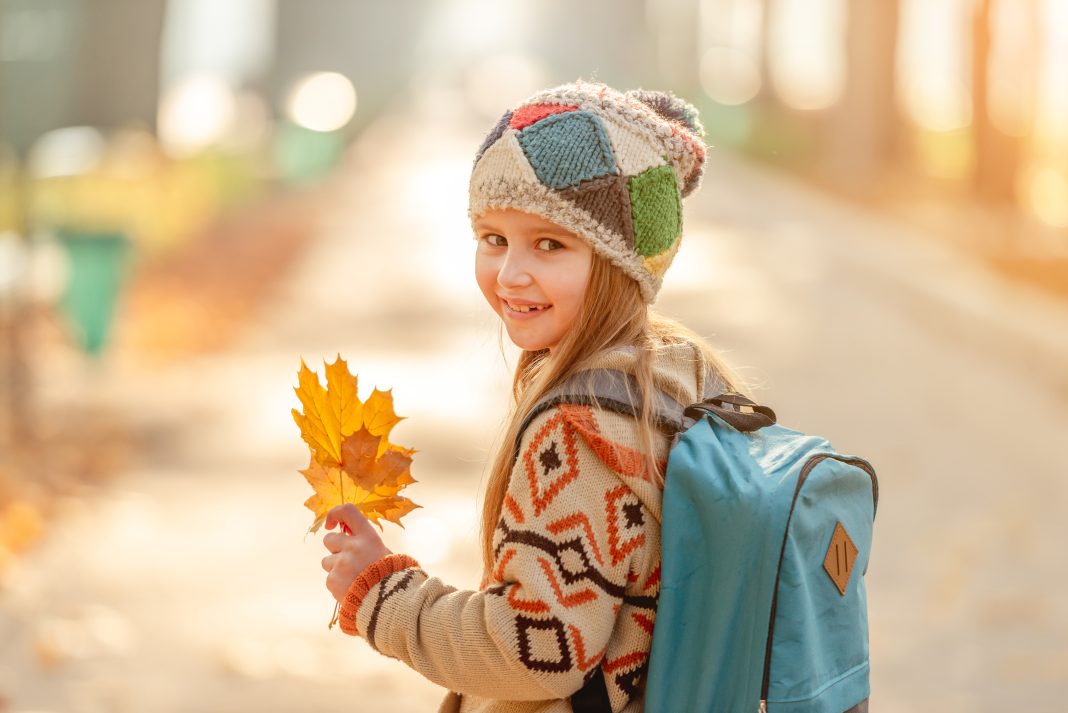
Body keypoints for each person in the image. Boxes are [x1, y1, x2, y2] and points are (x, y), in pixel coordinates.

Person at [319, 79, 748, 712]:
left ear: (619, 264)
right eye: (493, 238)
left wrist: (383, 594)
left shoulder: (585, 425)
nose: (510, 273)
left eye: (550, 244)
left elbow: (534, 652)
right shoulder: (686, 374)